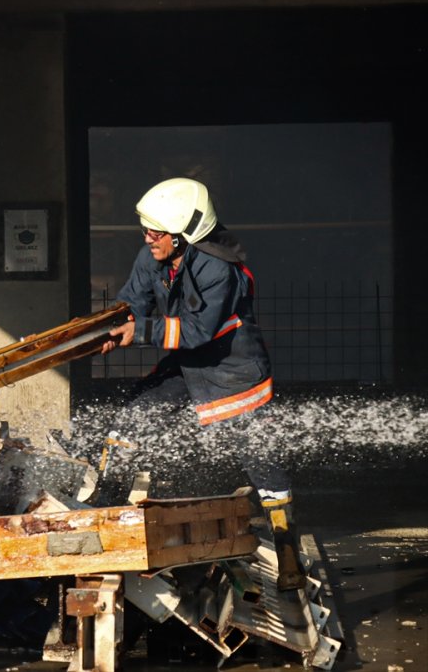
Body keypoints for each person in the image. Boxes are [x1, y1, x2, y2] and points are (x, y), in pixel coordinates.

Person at [98, 177, 304, 591]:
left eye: (156, 232)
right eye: (146, 229)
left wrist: (139, 332)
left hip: (233, 371)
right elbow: (134, 300)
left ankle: (287, 553)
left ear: (183, 234)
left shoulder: (218, 267)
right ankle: (102, 519)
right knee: (132, 420)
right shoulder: (152, 256)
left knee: (259, 459)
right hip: (188, 364)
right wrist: (107, 327)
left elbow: (196, 330)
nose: (148, 238)